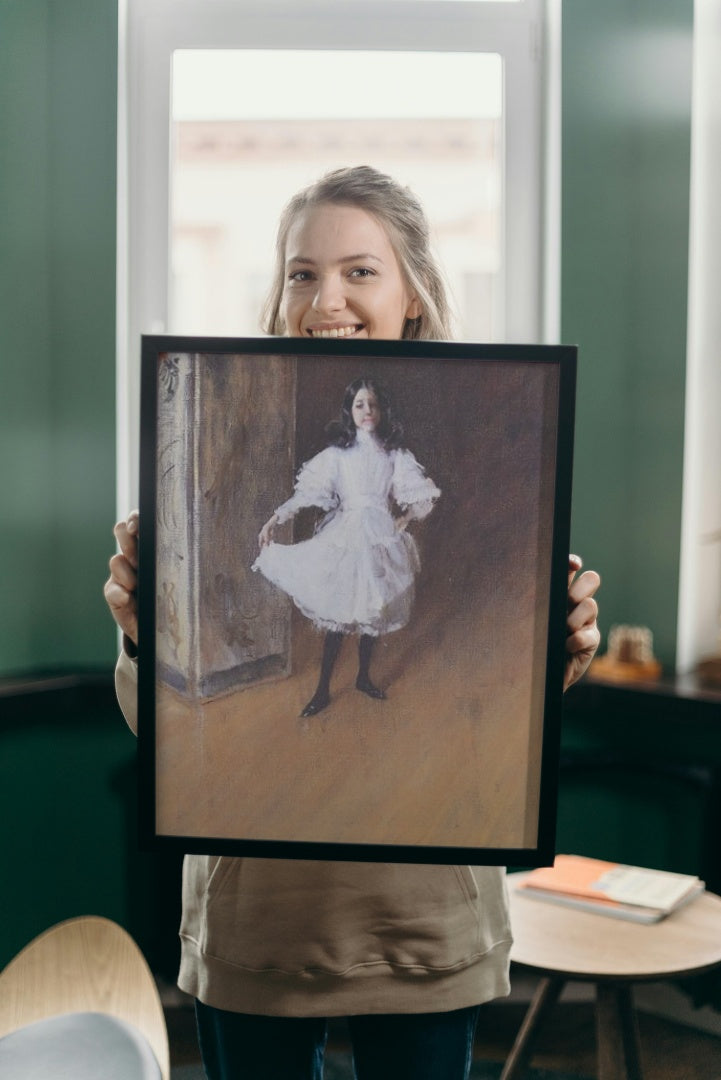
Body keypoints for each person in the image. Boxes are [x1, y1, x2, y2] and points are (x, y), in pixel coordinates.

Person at [105, 165, 601, 1080]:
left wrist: (556, 656)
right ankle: (338, 681)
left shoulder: (470, 427)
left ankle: (363, 677)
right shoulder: (291, 435)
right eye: (301, 272)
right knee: (339, 613)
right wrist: (144, 635)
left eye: (359, 271)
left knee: (373, 617)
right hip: (256, 928)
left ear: (412, 291)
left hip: (424, 927)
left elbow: (507, 737)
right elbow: (161, 731)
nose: (324, 297)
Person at [253, 374, 440, 716]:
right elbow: (306, 494)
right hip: (348, 533)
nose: (367, 410)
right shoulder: (337, 455)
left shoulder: (394, 453)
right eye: (359, 404)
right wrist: (274, 520)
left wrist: (404, 519)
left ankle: (363, 678)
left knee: (373, 608)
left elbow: (418, 494)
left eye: (373, 404)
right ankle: (322, 690)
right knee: (339, 616)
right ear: (349, 411)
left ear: (382, 411)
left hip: (380, 534)